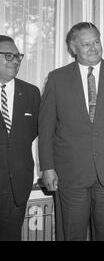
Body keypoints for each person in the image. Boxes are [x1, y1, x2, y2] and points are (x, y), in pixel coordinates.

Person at [38, 22, 104, 241]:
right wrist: (48, 167)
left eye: (97, 42)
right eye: (86, 44)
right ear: (73, 48)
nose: (93, 48)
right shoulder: (56, 79)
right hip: (71, 175)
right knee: (71, 234)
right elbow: (46, 129)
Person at [0, 35, 41, 241]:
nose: (15, 60)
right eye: (8, 55)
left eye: (18, 56)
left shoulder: (32, 93)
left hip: (17, 187)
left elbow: (33, 132)